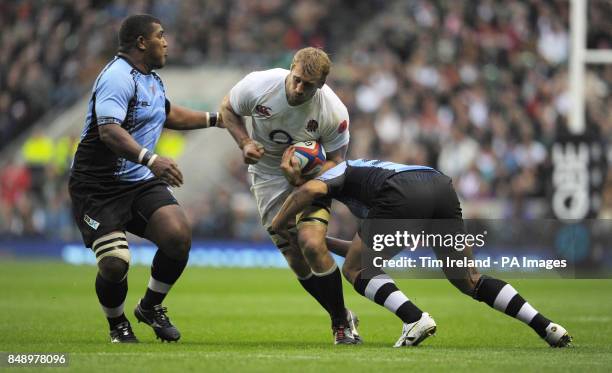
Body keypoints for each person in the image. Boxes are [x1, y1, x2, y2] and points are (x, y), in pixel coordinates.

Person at [272, 158, 572, 348]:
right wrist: (323, 242)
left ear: (311, 167)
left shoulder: (335, 170)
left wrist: (278, 225)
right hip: (438, 186)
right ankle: (547, 327)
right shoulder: (358, 173)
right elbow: (361, 251)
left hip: (400, 191)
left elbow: (307, 193)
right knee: (469, 279)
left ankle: (413, 318)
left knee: (355, 270)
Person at [69, 14, 222, 343]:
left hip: (138, 180)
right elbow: (108, 131)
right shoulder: (116, 77)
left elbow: (167, 113)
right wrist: (151, 159)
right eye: (161, 36)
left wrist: (216, 119)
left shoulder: (150, 78)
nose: (166, 42)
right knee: (115, 263)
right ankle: (117, 324)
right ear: (142, 42)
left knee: (178, 236)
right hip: (98, 185)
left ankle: (150, 306)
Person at [220, 47, 360, 344]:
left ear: (321, 85)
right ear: (291, 68)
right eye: (296, 79)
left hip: (313, 177)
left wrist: (304, 179)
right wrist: (244, 142)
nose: (298, 88)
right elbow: (227, 110)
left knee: (310, 242)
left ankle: (340, 326)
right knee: (295, 258)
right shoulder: (259, 85)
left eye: (308, 85)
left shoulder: (333, 112)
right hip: (267, 176)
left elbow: (337, 162)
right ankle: (343, 313)